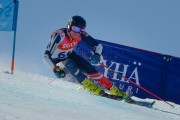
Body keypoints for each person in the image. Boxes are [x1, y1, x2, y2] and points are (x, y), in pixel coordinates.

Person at [43, 15, 129, 99]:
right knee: (70, 64)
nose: (77, 32)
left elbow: (98, 46)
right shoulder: (60, 36)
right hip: (58, 61)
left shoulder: (81, 34)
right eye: (75, 29)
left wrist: (97, 55)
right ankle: (93, 89)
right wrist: (55, 69)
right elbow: (46, 56)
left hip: (70, 55)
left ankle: (117, 92)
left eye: (81, 30)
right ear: (69, 26)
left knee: (90, 69)